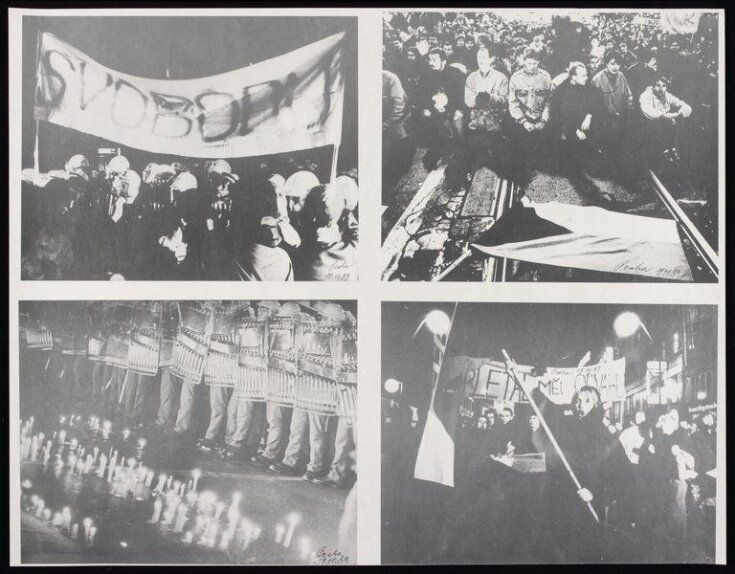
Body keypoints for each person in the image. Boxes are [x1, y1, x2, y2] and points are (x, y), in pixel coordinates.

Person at [531, 384, 631, 562]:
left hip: (588, 506)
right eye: (577, 400)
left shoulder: (606, 438)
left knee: (584, 552)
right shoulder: (568, 430)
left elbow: (622, 477)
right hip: (563, 502)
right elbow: (552, 413)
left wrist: (595, 494)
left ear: (596, 405)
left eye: (586, 401)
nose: (580, 405)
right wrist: (535, 391)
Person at [508, 47, 553, 184]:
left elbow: (549, 102)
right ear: (523, 62)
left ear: (538, 62)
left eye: (534, 63)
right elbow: (513, 103)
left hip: (541, 119)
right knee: (520, 152)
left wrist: (544, 121)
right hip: (523, 119)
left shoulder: (545, 77)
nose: (531, 66)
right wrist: (523, 121)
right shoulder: (516, 78)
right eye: (528, 63)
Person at [639, 75, 692, 161]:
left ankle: (672, 147)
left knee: (678, 120)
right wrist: (664, 115)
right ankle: (663, 150)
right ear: (653, 86)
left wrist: (682, 110)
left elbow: (678, 102)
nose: (661, 89)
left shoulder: (666, 95)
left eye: (664, 86)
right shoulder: (646, 95)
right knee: (662, 123)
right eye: (658, 85)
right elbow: (647, 110)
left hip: (665, 123)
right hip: (650, 124)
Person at [591, 51, 633, 157]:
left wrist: (628, 108)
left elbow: (628, 95)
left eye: (618, 64)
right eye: (612, 63)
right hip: (603, 120)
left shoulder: (621, 76)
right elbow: (592, 105)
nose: (615, 67)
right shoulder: (597, 79)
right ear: (606, 63)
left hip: (619, 118)